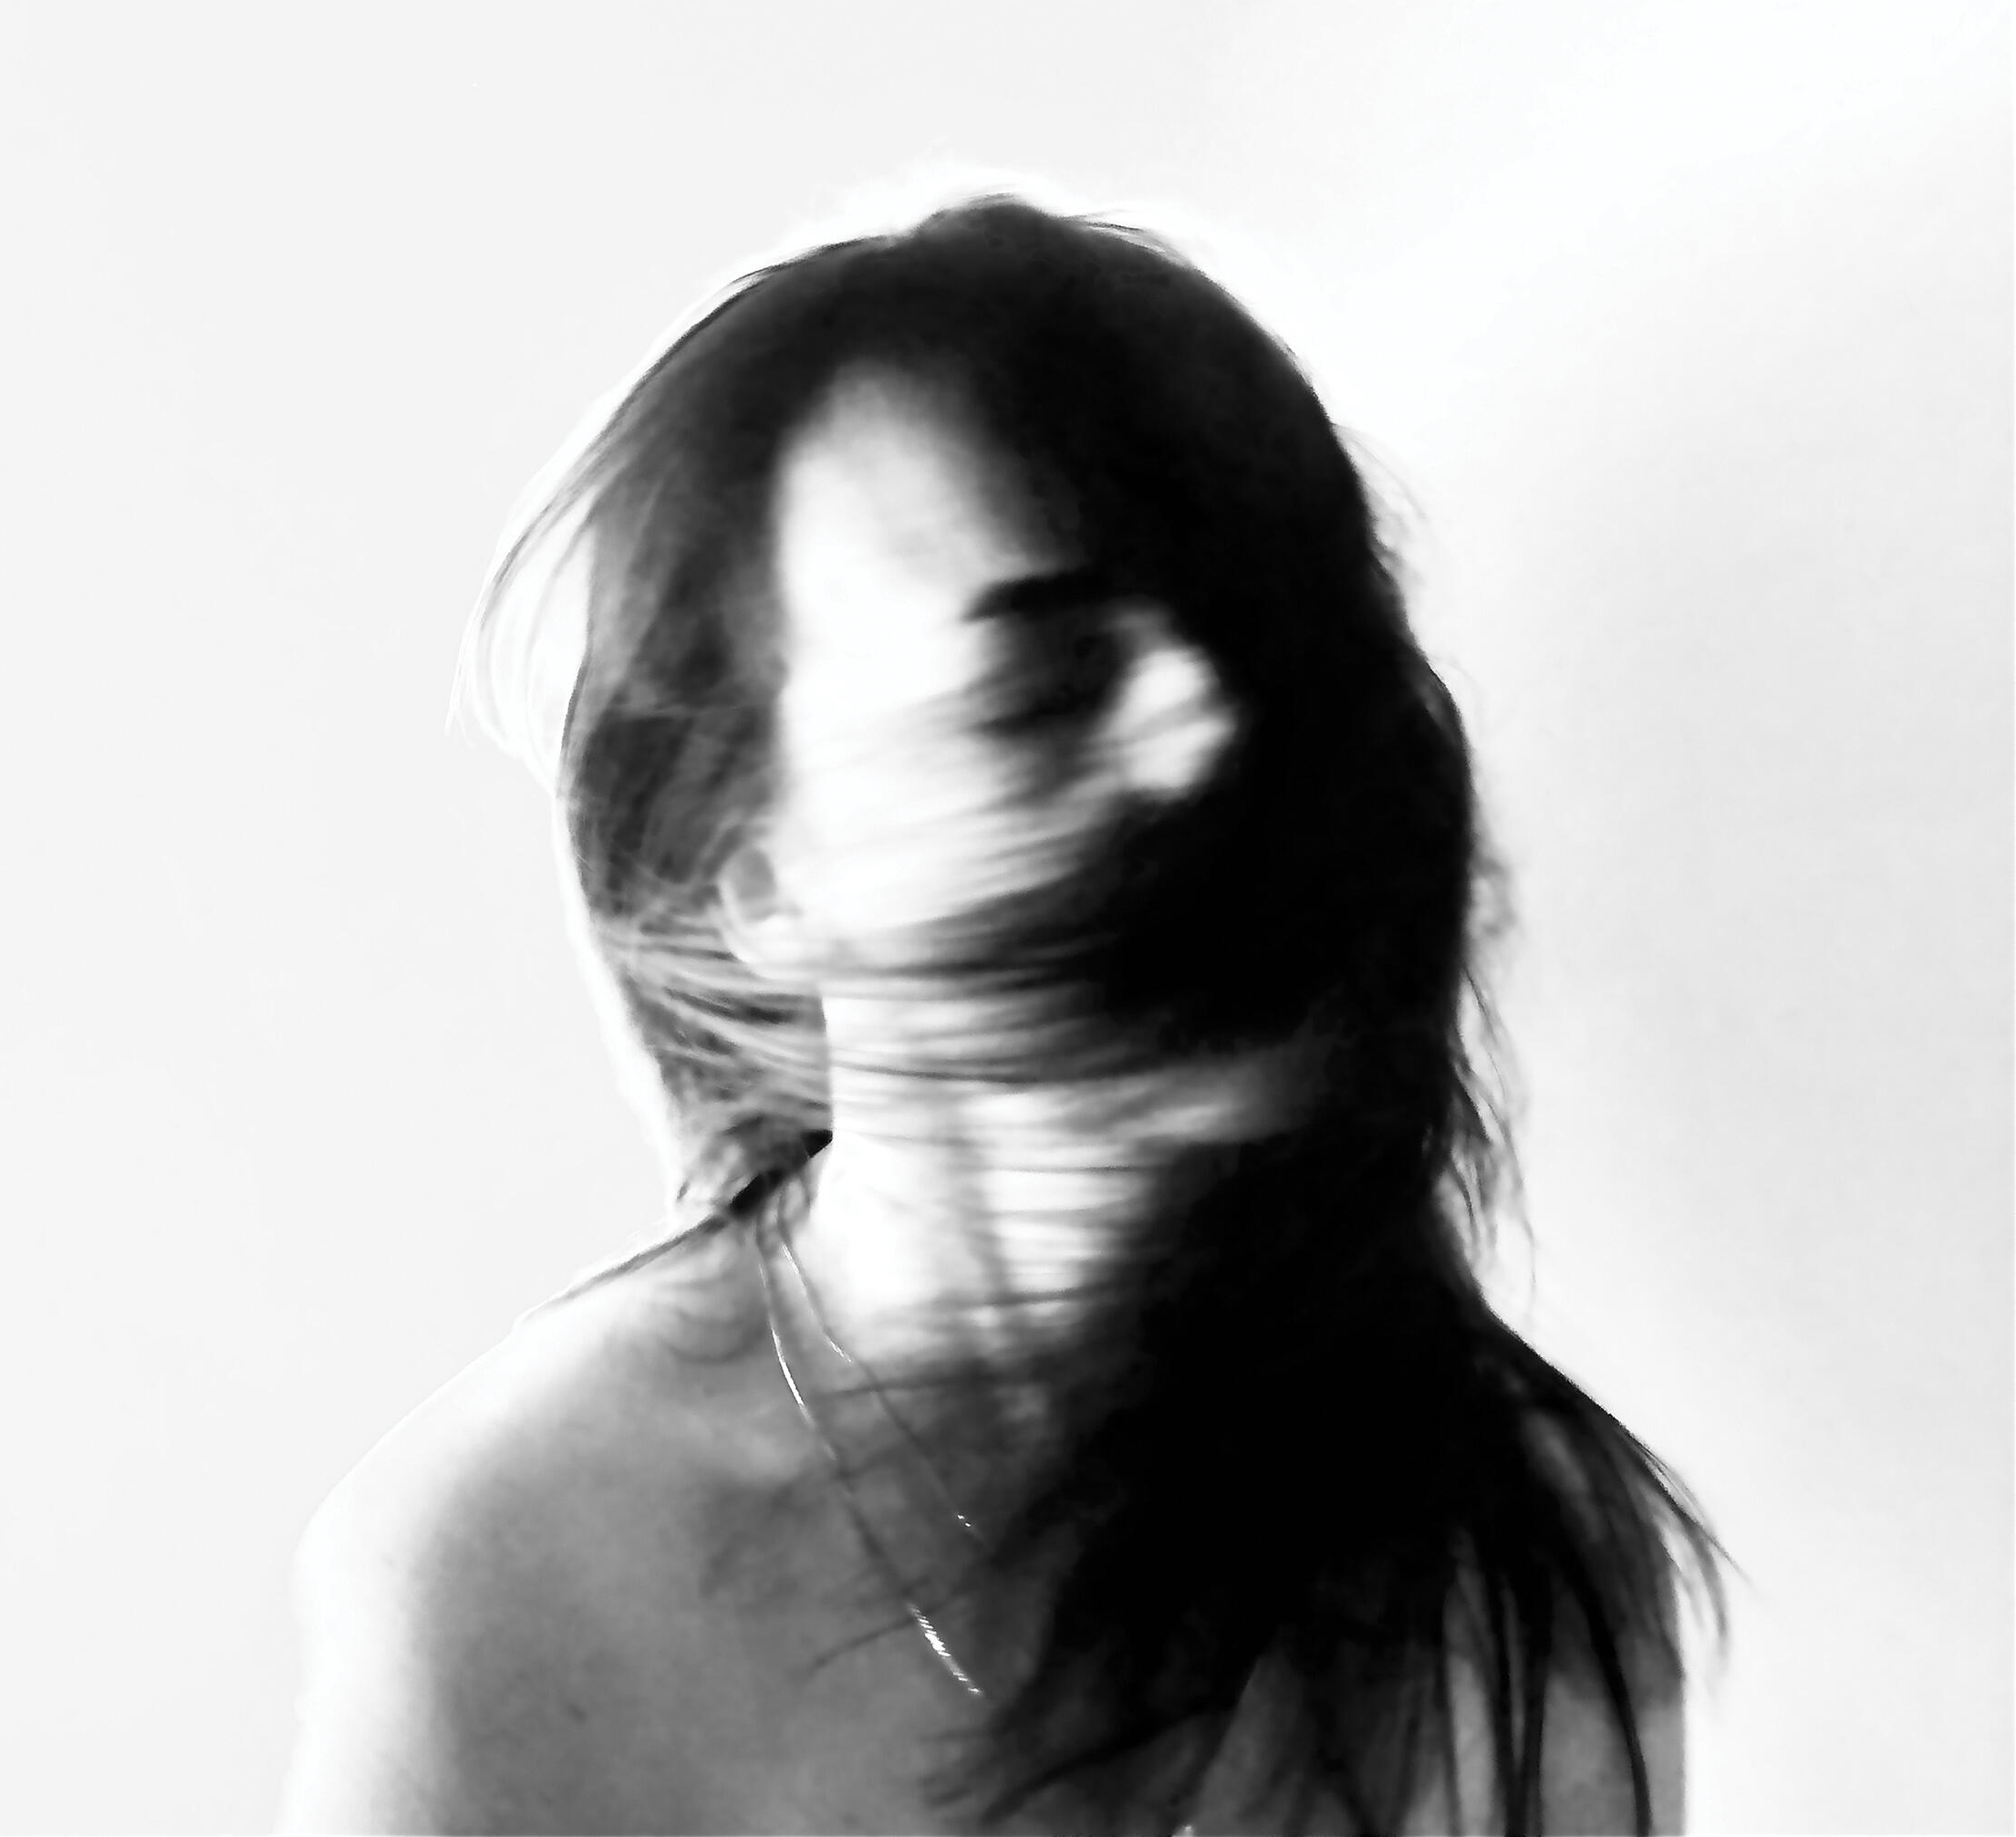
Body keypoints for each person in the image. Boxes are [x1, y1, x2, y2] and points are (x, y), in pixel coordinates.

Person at [276, 194, 1730, 1836]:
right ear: (757, 874)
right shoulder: (524, 1567)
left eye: (1267, 661)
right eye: (1040, 687)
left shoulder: (1516, 1553)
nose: (1207, 759)